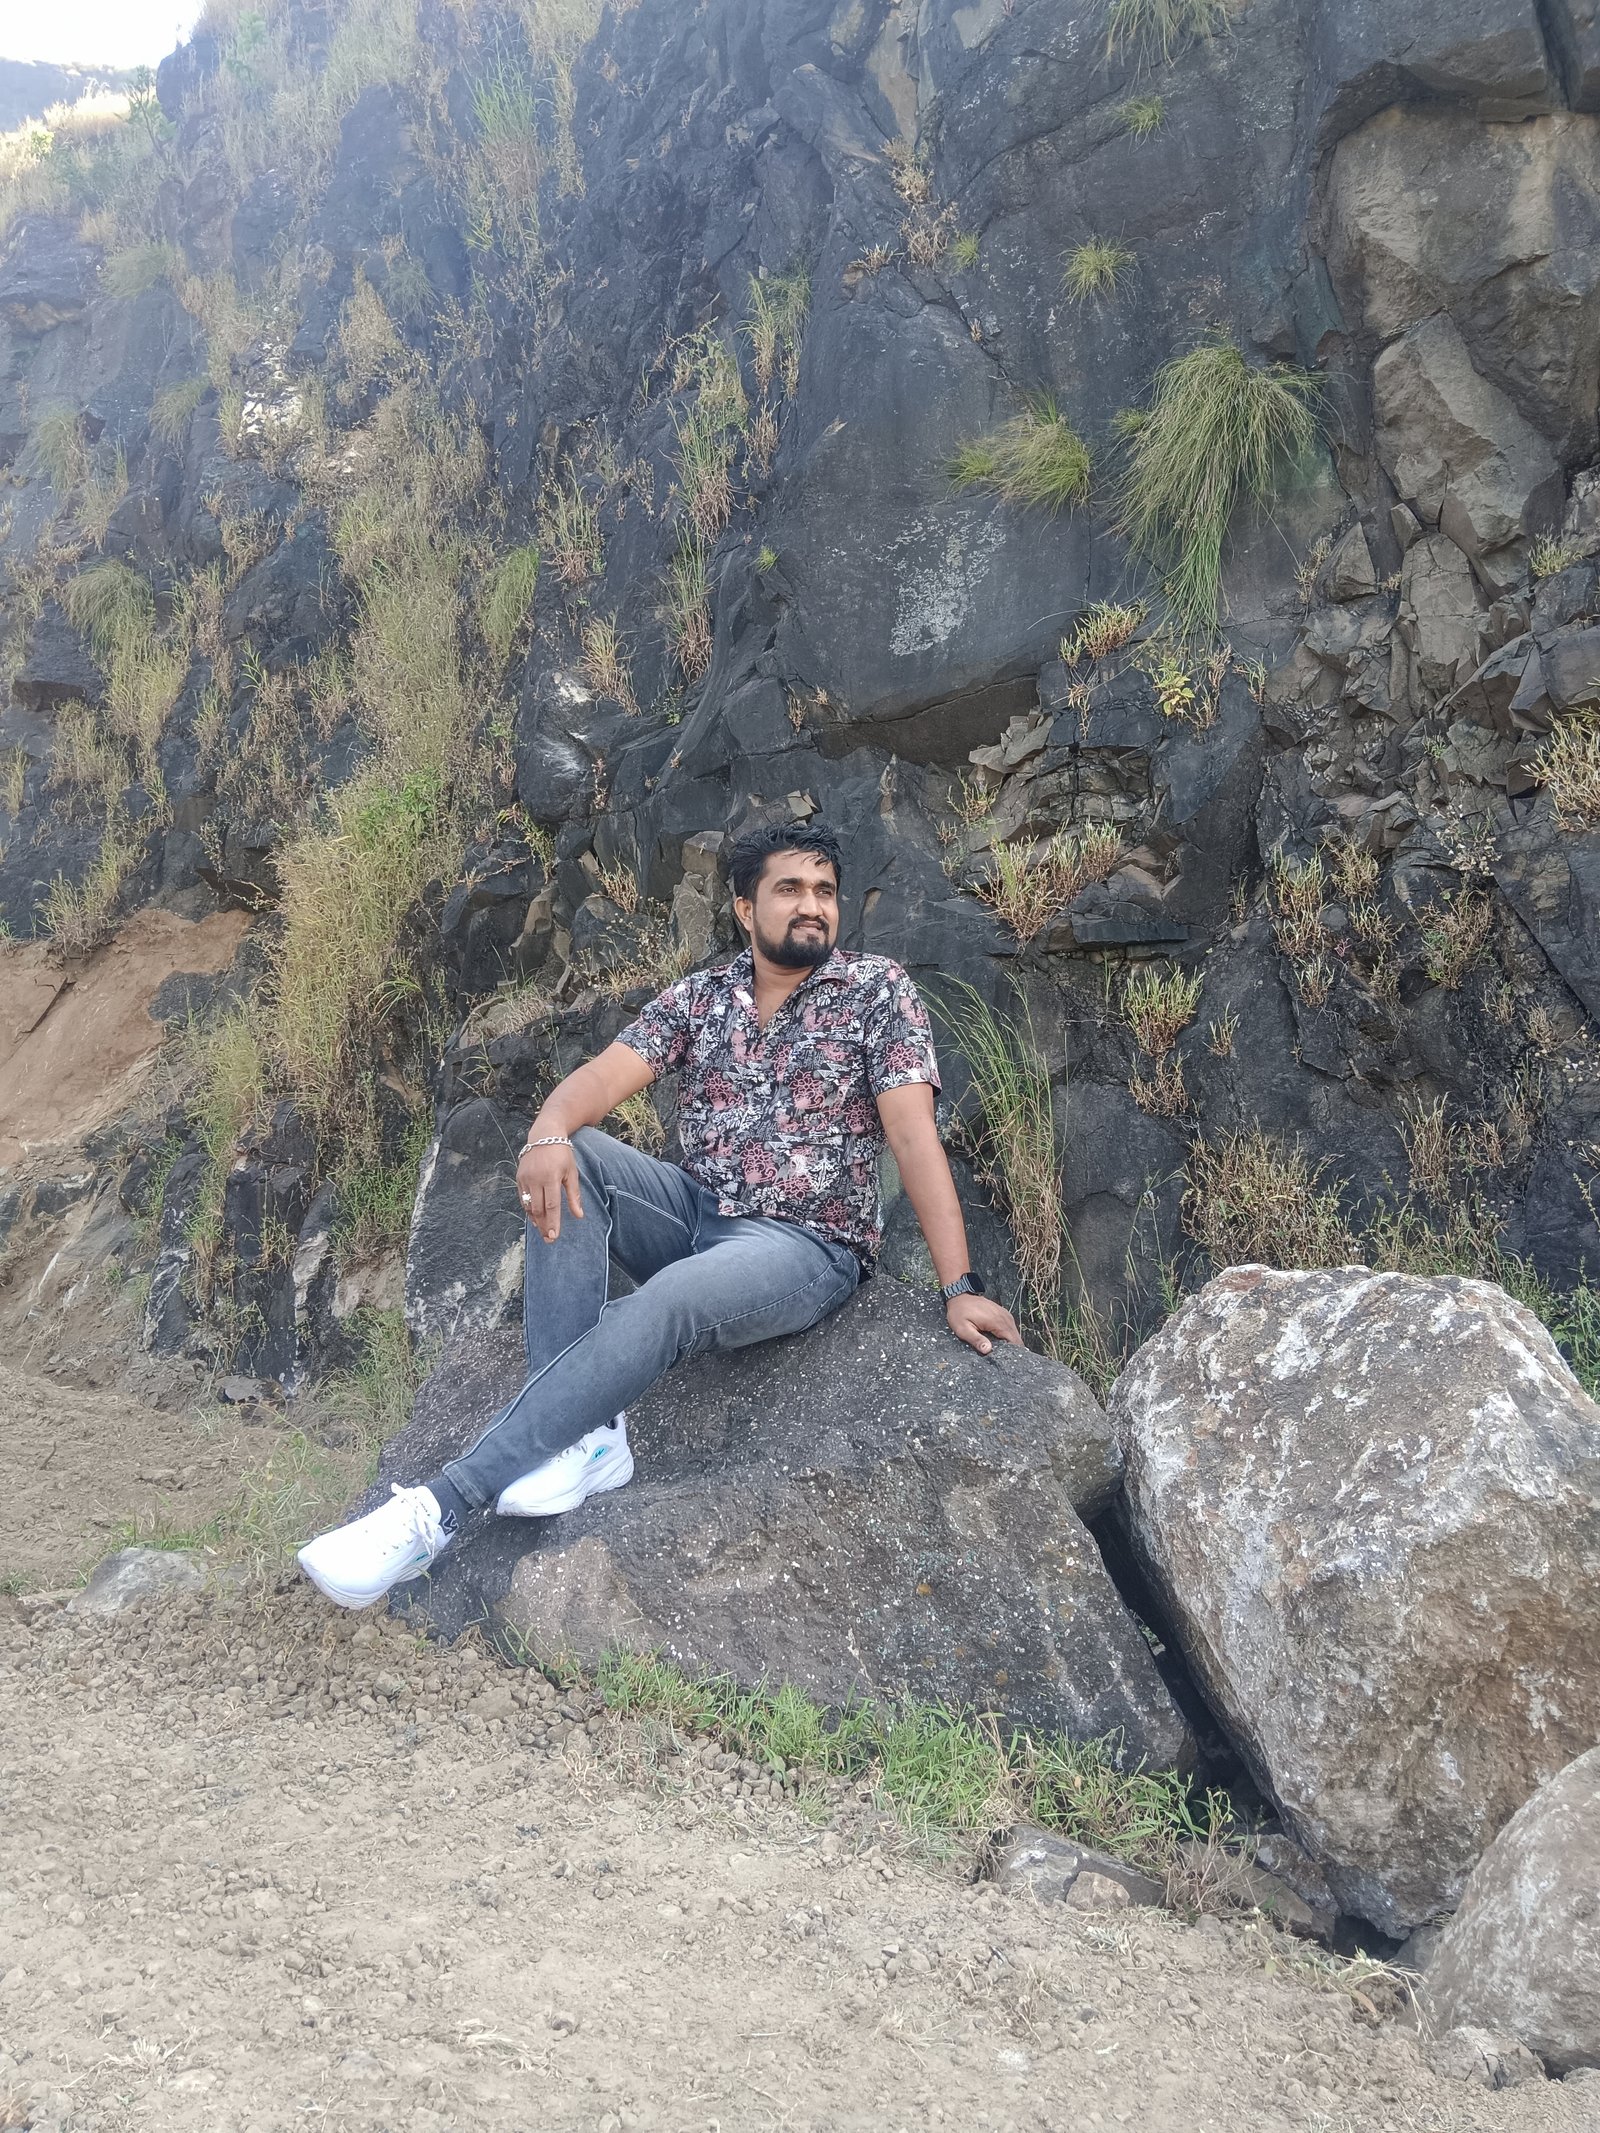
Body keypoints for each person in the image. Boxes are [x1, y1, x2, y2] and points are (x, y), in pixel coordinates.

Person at [297, 820, 1023, 1608]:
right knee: (576, 1152)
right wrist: (546, 1132)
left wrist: (959, 1288)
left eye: (825, 891)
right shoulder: (701, 997)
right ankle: (585, 1435)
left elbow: (914, 1138)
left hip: (806, 1243)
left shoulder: (876, 989)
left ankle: (438, 1508)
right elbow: (598, 1081)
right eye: (790, 889)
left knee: (667, 1300)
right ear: (744, 908)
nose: (813, 905)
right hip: (695, 1212)